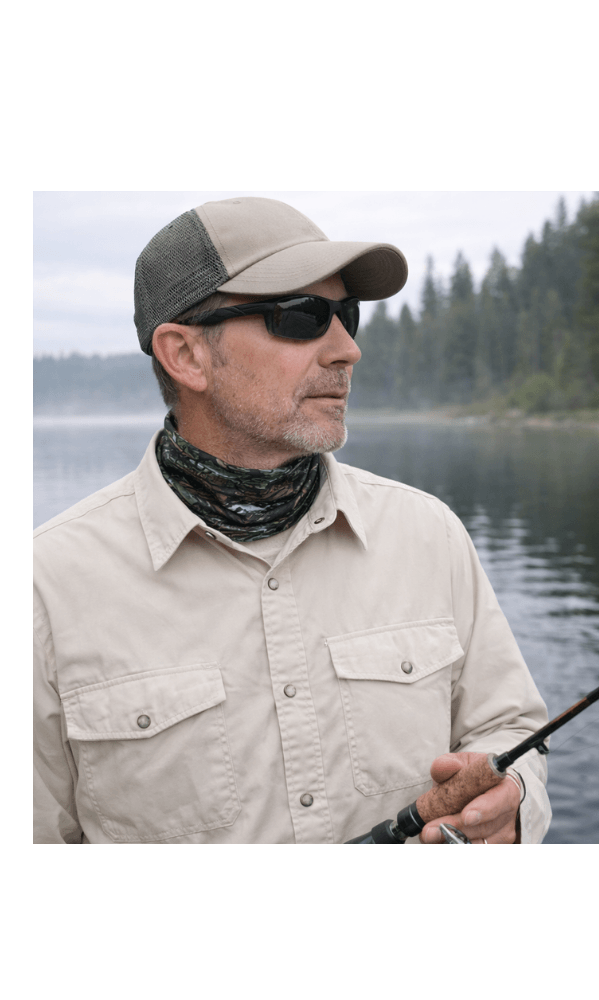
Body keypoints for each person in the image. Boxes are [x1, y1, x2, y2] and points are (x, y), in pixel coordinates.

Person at [33, 196, 551, 843]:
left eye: (347, 315)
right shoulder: (48, 586)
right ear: (185, 355)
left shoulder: (430, 533)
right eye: (302, 316)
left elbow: (512, 733)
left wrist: (512, 803)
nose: (346, 349)